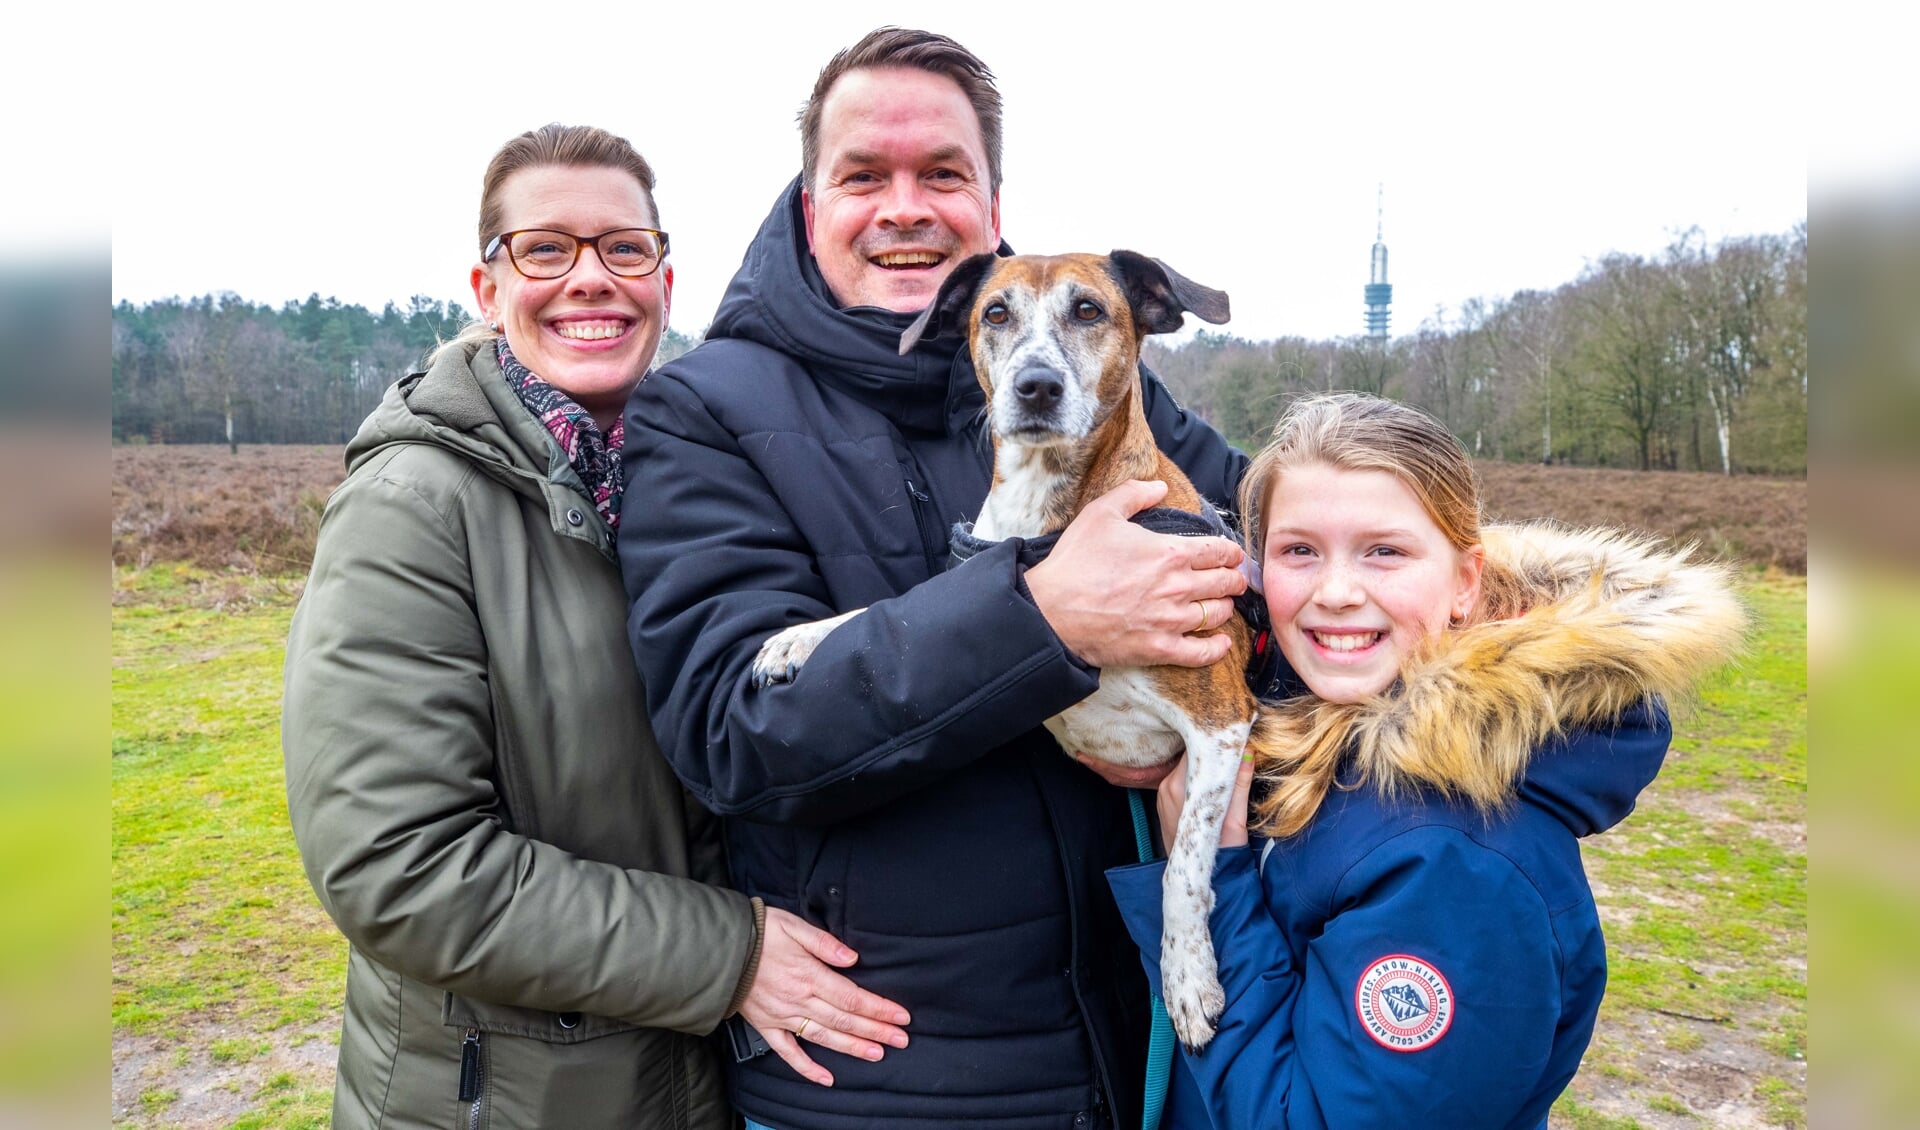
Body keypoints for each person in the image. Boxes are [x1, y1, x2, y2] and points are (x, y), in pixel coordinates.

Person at [616, 28, 1252, 1130]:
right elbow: (734, 727)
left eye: (943, 173)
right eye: (864, 175)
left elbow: (1302, 559)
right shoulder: (704, 408)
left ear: (993, 202)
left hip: (1119, 1047)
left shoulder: (1105, 397)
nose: (905, 205)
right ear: (811, 202)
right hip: (875, 1073)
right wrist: (1043, 615)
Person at [282, 123, 907, 1130]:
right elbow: (399, 863)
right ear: (487, 289)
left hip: (705, 1083)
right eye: (545, 249)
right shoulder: (412, 503)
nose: (590, 279)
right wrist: (728, 952)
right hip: (514, 1096)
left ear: (664, 277)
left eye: (624, 248)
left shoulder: (708, 477)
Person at [1109, 393, 1743, 1128]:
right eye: (1298, 550)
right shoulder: (1319, 736)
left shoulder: (1460, 865)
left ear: (1466, 583)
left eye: (1385, 551)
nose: (1336, 592)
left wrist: (1213, 868)